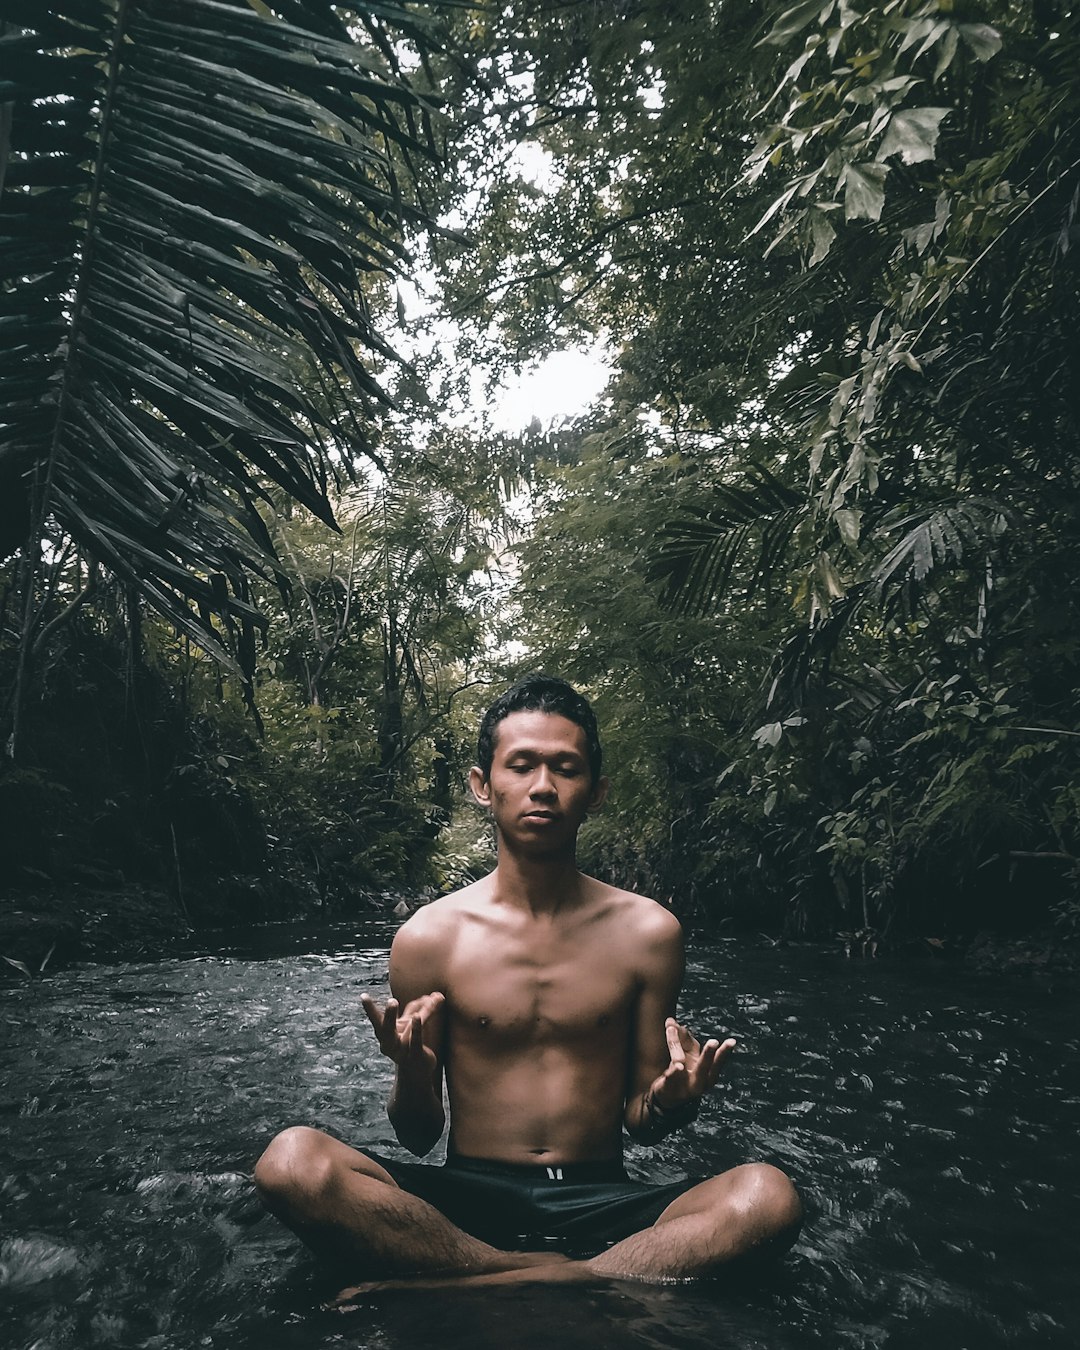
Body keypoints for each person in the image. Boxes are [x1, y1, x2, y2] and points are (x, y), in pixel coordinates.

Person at [254, 674, 802, 1287]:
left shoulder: (648, 933)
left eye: (565, 768)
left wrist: (673, 1101)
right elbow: (418, 1135)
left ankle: (479, 1280)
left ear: (595, 791)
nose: (543, 787)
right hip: (466, 1199)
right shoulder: (429, 937)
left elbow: (641, 1121)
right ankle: (566, 1276)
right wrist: (411, 1069)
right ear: (483, 786)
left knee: (767, 1196)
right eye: (522, 766)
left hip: (602, 1198)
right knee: (292, 1162)